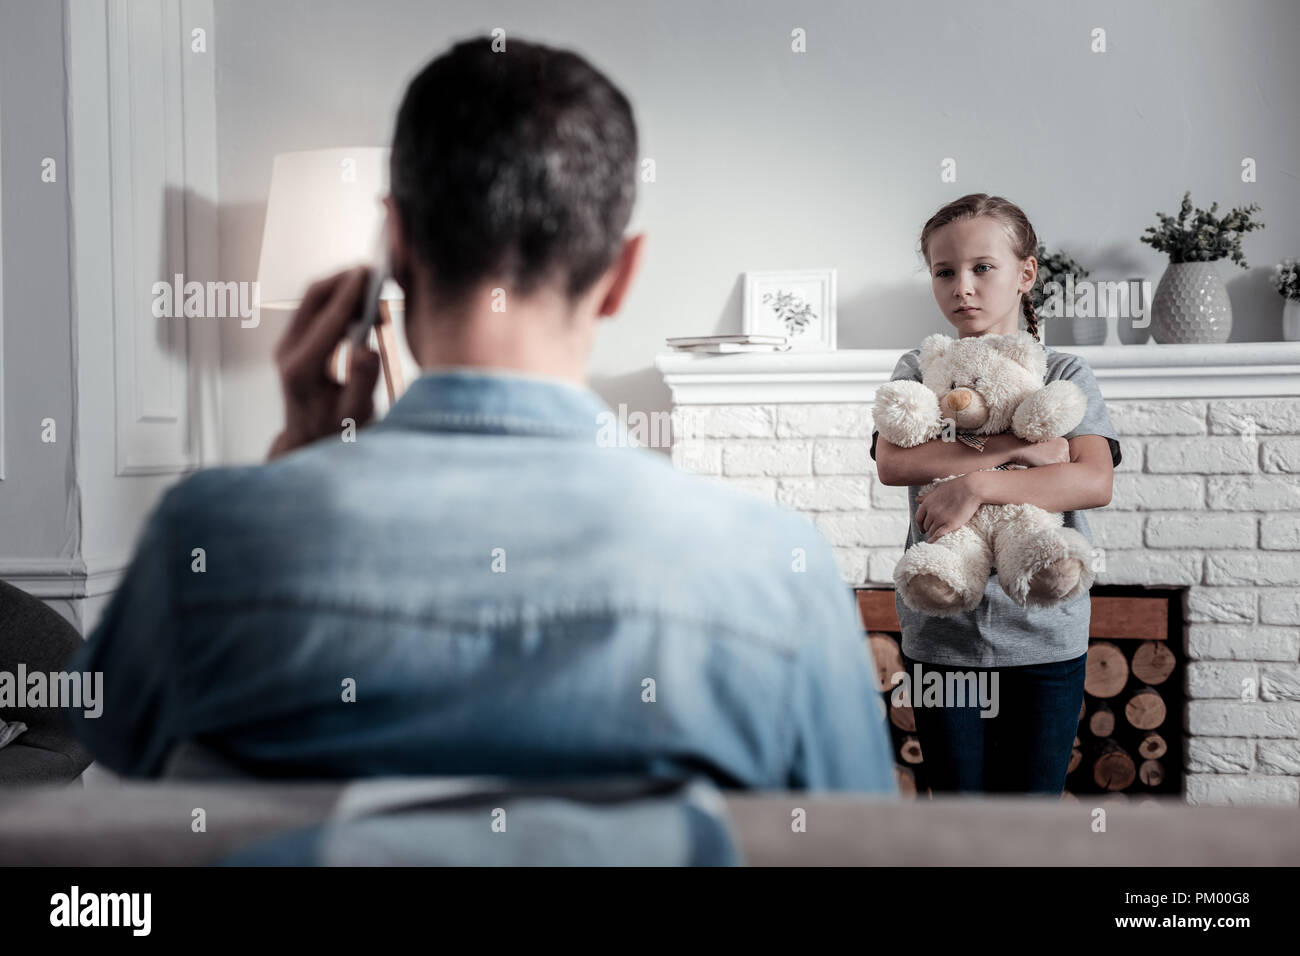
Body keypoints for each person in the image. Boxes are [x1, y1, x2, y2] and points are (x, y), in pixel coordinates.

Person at [65, 36, 896, 794]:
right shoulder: (780, 571)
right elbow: (855, 837)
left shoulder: (208, 536)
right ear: (622, 274)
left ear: (394, 246)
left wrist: (291, 471)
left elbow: (117, 755)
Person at [872, 193, 1121, 795]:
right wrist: (1015, 447)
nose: (964, 286)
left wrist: (973, 484)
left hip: (1044, 633)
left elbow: (1091, 479)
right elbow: (896, 461)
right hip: (941, 635)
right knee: (961, 822)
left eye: (984, 267)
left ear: (1026, 273)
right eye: (945, 271)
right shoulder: (920, 368)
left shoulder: (1065, 373)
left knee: (1028, 823)